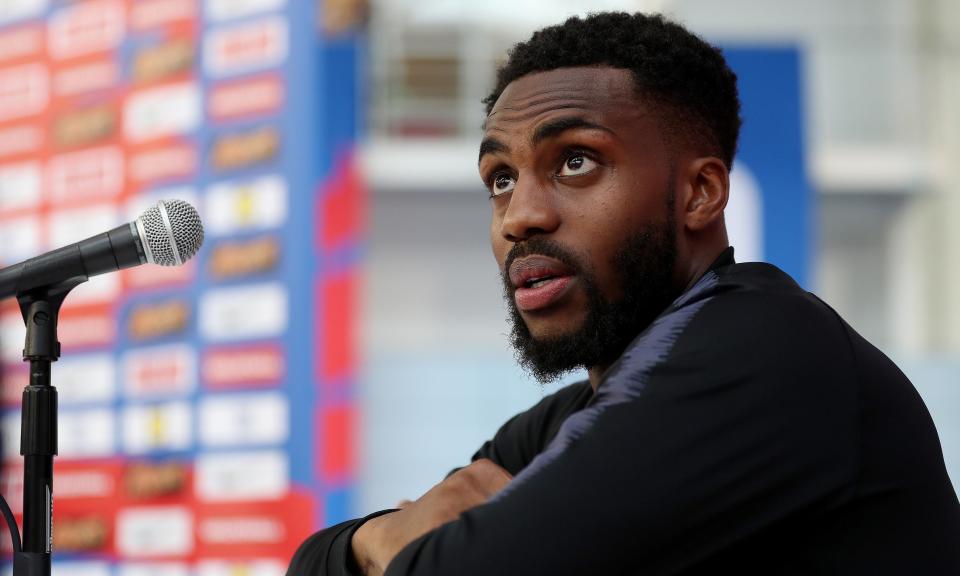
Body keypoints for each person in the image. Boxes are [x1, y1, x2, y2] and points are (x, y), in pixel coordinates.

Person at [288, 12, 960, 575]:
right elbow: (314, 563)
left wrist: (378, 545)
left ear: (700, 193)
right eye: (500, 177)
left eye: (575, 161)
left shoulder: (771, 354)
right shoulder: (574, 417)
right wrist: (371, 544)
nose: (519, 215)